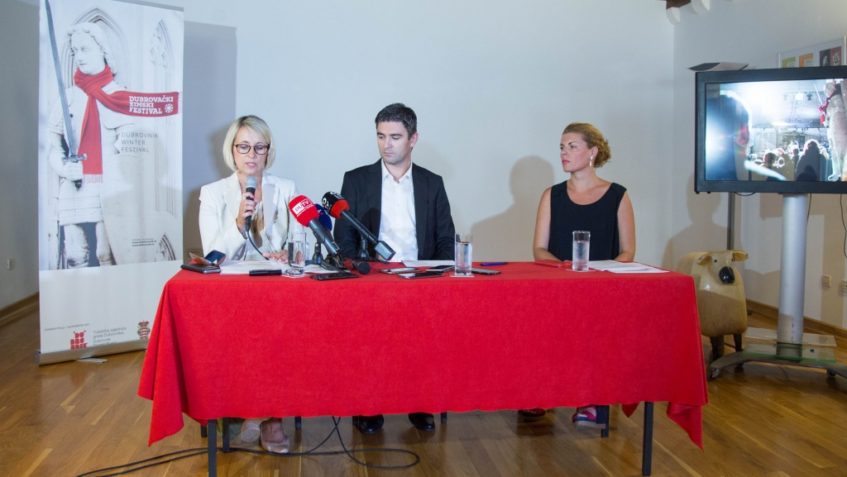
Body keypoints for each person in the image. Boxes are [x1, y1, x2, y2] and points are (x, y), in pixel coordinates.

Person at [333, 103, 455, 433]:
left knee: (421, 344)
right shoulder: (356, 180)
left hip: (420, 279)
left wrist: (434, 276)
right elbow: (343, 238)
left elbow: (446, 238)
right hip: (373, 278)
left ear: (413, 139)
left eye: (395, 137)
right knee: (371, 346)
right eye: (381, 136)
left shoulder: (432, 183)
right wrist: (362, 272)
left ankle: (420, 403)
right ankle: (369, 407)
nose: (386, 145)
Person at [198, 115, 301, 453]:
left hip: (274, 290)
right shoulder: (213, 193)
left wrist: (287, 253)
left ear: (269, 151)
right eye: (244, 146)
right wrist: (238, 223)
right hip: (231, 294)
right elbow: (213, 255)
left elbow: (298, 241)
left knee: (279, 333)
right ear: (232, 150)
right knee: (245, 333)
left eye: (259, 147)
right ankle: (251, 411)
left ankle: (270, 417)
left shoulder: (284, 188)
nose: (252, 154)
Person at [529, 122, 636, 427]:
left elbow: (627, 251)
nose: (564, 153)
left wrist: (597, 275)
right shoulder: (551, 195)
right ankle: (542, 392)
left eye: (572, 146)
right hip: (561, 284)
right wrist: (567, 272)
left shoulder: (617, 195)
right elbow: (539, 249)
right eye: (561, 147)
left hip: (602, 287)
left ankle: (592, 399)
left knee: (596, 319)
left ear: (592, 152)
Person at [46, 22, 125, 268]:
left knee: (106, 253)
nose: (79, 56)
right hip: (74, 184)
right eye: (75, 51)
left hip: (107, 185)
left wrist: (104, 167)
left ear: (102, 49)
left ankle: (113, 293)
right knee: (74, 255)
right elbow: (53, 145)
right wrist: (64, 168)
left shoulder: (119, 95)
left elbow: (128, 150)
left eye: (85, 49)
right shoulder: (69, 97)